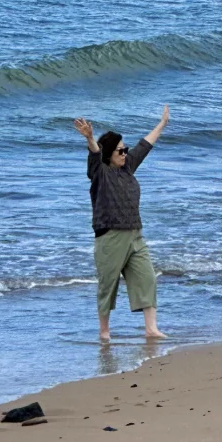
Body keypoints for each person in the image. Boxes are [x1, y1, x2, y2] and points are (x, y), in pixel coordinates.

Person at [74, 107, 169, 343]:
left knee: (147, 278)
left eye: (125, 149)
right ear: (109, 153)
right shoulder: (101, 172)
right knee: (108, 285)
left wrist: (162, 124)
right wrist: (89, 138)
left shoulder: (128, 167)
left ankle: (151, 329)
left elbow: (145, 145)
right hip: (111, 237)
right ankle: (104, 333)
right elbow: (95, 154)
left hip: (135, 235)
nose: (125, 153)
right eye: (120, 150)